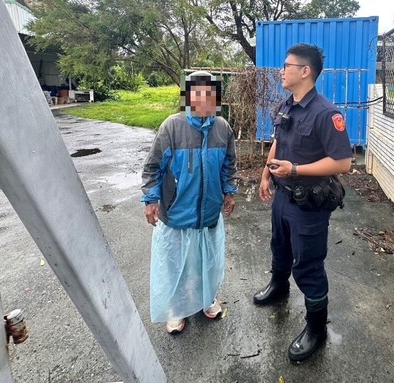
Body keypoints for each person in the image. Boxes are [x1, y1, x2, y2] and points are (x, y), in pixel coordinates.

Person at [254, 44, 352, 361]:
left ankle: (316, 328)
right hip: (282, 197)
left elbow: (343, 162)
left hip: (308, 204)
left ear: (305, 71)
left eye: (287, 66)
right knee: (279, 248)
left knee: (308, 265)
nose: (282, 71)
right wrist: (266, 175)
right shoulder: (287, 105)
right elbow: (278, 142)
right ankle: (279, 287)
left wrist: (295, 169)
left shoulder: (327, 113)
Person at [141, 71, 238, 334]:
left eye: (210, 94)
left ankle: (207, 298)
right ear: (188, 97)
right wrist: (151, 199)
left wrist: (229, 192)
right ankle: (177, 307)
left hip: (208, 212)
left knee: (206, 259)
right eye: (198, 93)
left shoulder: (222, 128)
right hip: (177, 212)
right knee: (176, 263)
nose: (204, 99)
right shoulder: (172, 127)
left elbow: (229, 165)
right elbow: (153, 167)